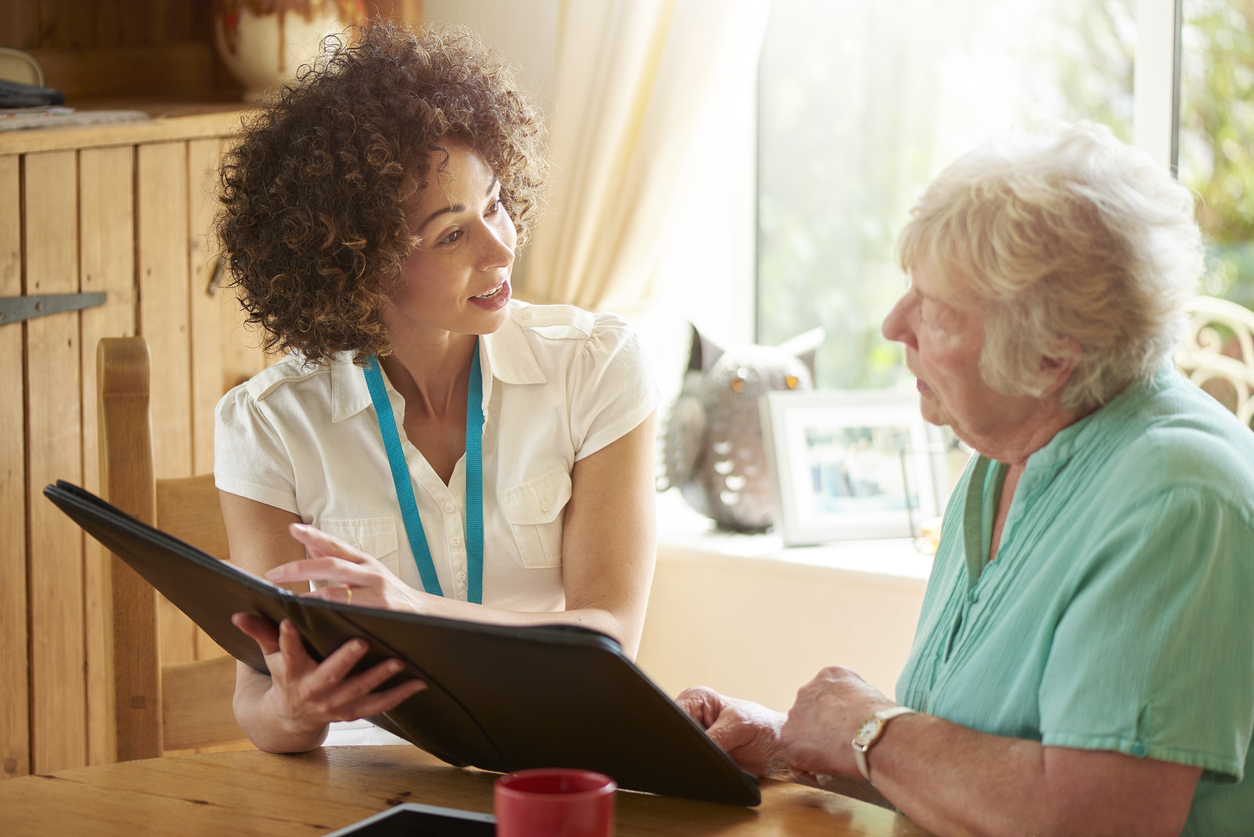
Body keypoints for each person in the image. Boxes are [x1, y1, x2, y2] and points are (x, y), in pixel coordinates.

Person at [678, 122, 1254, 836]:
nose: (894, 325)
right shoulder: (1000, 462)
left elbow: (1095, 822)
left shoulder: (1179, 496)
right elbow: (972, 784)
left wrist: (871, 730)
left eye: (937, 309)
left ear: (1051, 357)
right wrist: (792, 740)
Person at [213, 20, 658, 754]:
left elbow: (609, 637)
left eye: (495, 204)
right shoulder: (265, 425)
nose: (502, 246)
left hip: (554, 764)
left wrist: (410, 610)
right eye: (453, 235)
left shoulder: (596, 366)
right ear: (359, 263)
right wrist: (295, 711)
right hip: (365, 785)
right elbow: (259, 697)